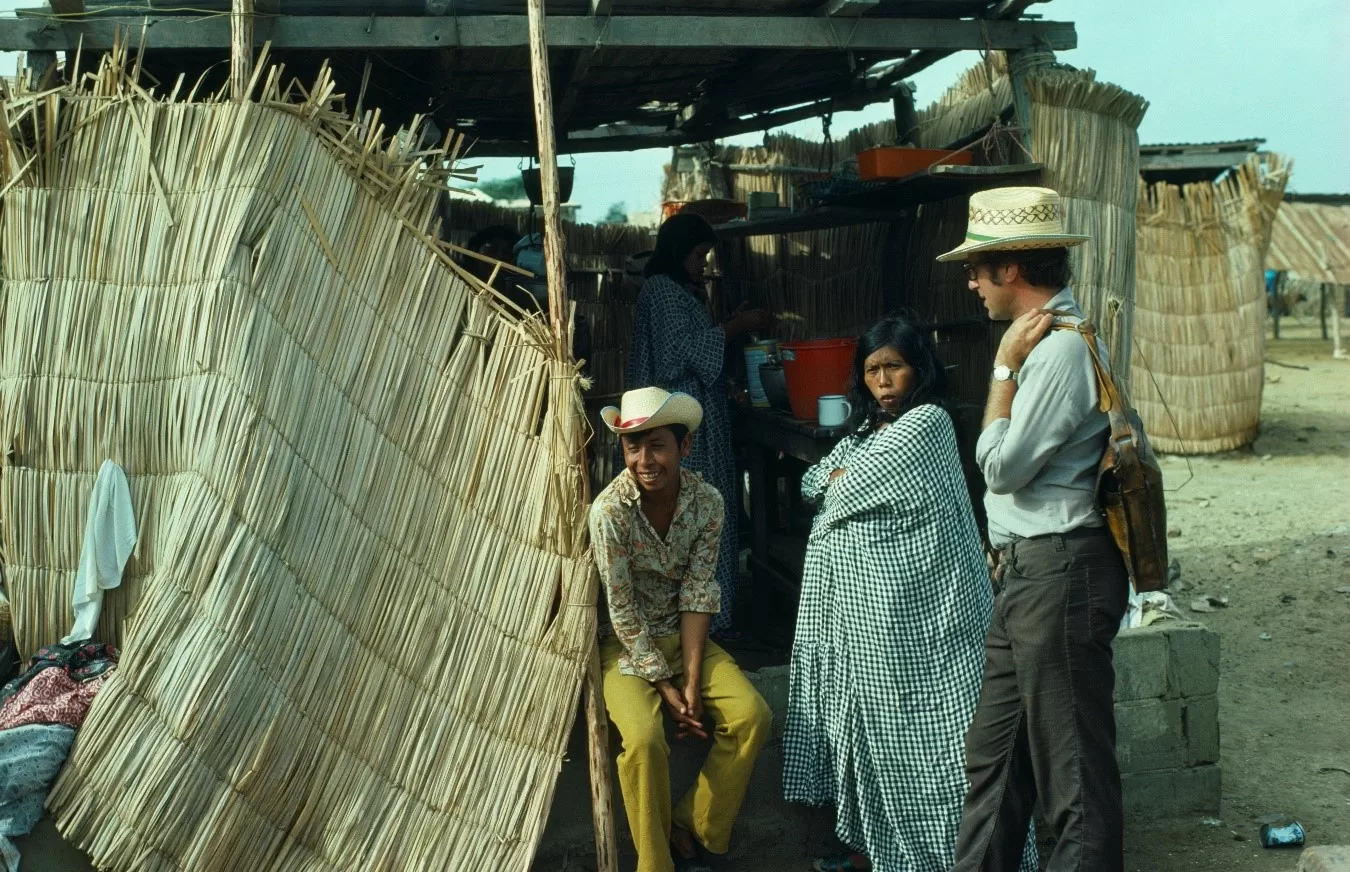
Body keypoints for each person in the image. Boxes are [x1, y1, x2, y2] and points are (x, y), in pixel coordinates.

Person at [782, 315, 1037, 872]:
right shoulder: (863, 431)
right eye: (872, 370)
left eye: (894, 367)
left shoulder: (927, 424)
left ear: (918, 369)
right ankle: (881, 853)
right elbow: (810, 482)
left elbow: (839, 493)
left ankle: (959, 857)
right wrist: (838, 479)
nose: (883, 380)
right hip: (869, 624)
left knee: (938, 744)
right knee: (874, 737)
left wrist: (839, 481)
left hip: (924, 621)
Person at [939, 187, 1131, 872]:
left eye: (976, 269)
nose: (971, 283)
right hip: (1030, 575)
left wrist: (1002, 371)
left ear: (1011, 268)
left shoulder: (1056, 354)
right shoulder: (1052, 346)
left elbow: (1002, 468)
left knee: (1073, 778)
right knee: (994, 765)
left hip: (1061, 573)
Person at [591, 386, 773, 872]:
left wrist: (690, 680)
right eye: (633, 447)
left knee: (752, 716)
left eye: (657, 446)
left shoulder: (707, 502)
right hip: (626, 648)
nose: (644, 461)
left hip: (687, 639)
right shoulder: (608, 512)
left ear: (685, 446)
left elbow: (697, 591)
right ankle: (655, 864)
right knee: (644, 740)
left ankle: (693, 823)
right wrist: (663, 686)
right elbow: (621, 608)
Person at [627, 213, 772, 637]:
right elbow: (675, 358)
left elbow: (690, 344)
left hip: (692, 421)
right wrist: (735, 327)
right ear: (678, 252)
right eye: (698, 255)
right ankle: (694, 624)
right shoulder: (663, 291)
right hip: (677, 425)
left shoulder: (675, 291)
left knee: (705, 513)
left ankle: (709, 621)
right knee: (693, 517)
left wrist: (723, 324)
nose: (703, 264)